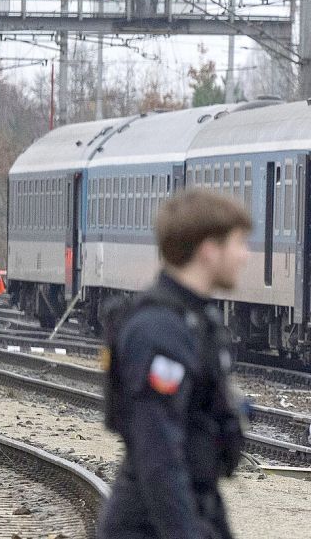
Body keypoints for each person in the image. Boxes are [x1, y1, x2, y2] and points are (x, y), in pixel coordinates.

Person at [98, 190, 251, 539]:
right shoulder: (157, 331)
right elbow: (159, 459)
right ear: (209, 250)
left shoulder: (196, 322)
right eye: (239, 243)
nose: (245, 256)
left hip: (192, 511)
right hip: (147, 527)